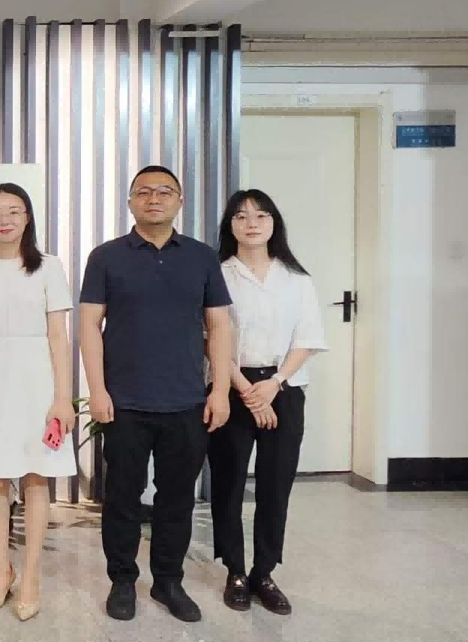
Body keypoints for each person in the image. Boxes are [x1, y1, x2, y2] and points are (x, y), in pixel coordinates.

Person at [78, 165, 233, 623]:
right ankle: (122, 581)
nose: (154, 199)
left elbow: (219, 326)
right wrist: (97, 390)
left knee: (177, 499)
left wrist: (220, 390)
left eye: (165, 191)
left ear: (179, 201)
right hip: (124, 402)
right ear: (130, 202)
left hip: (186, 401)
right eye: (143, 192)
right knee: (122, 497)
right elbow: (89, 325)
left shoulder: (202, 257)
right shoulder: (106, 257)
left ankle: (168, 581)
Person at [0, 183, 76, 622]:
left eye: (14, 211)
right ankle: (2, 572)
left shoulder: (48, 267)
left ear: (27, 218)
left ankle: (31, 576)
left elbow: (59, 337)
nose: (4, 220)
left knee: (36, 477)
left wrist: (62, 398)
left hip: (36, 380)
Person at [210, 189, 325, 616]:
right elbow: (210, 338)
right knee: (228, 483)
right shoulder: (217, 274)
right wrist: (245, 390)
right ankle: (235, 571)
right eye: (241, 217)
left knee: (276, 484)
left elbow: (307, 339)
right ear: (231, 226)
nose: (252, 224)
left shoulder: (297, 279)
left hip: (284, 388)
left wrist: (274, 383)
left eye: (261, 216)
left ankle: (264, 572)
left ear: (274, 223)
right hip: (231, 385)